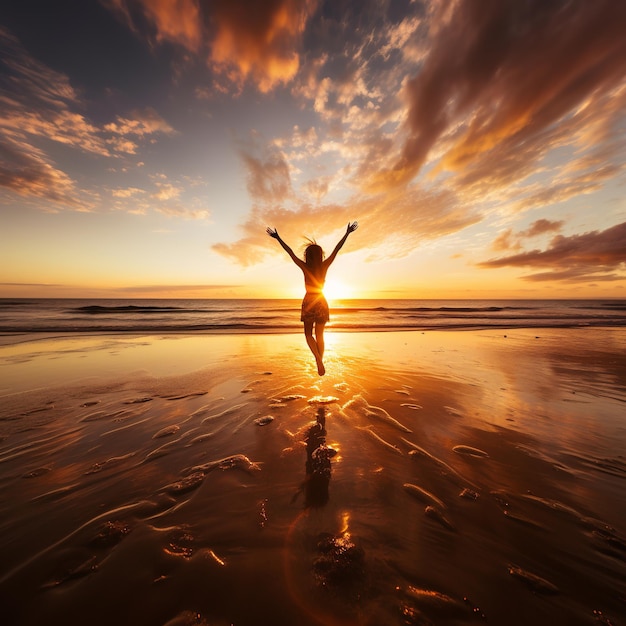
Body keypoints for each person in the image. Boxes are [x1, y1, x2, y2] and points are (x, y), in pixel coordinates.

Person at [266, 221, 358, 375]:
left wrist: (278, 238)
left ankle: (318, 359)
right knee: (320, 334)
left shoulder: (305, 267)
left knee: (308, 334)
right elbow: (337, 249)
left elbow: (290, 252)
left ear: (308, 256)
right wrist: (347, 233)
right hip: (321, 300)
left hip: (309, 301)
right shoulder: (324, 266)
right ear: (320, 255)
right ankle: (319, 361)